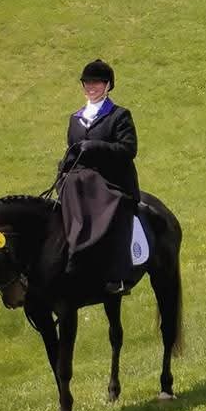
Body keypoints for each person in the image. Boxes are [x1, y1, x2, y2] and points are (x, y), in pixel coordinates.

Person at [57, 59, 140, 295]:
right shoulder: (75, 119)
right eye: (87, 83)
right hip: (81, 180)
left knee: (111, 210)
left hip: (112, 181)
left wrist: (96, 147)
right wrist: (64, 166)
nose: (91, 87)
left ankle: (119, 275)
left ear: (108, 85)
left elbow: (128, 149)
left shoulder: (119, 115)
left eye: (97, 83)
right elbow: (72, 150)